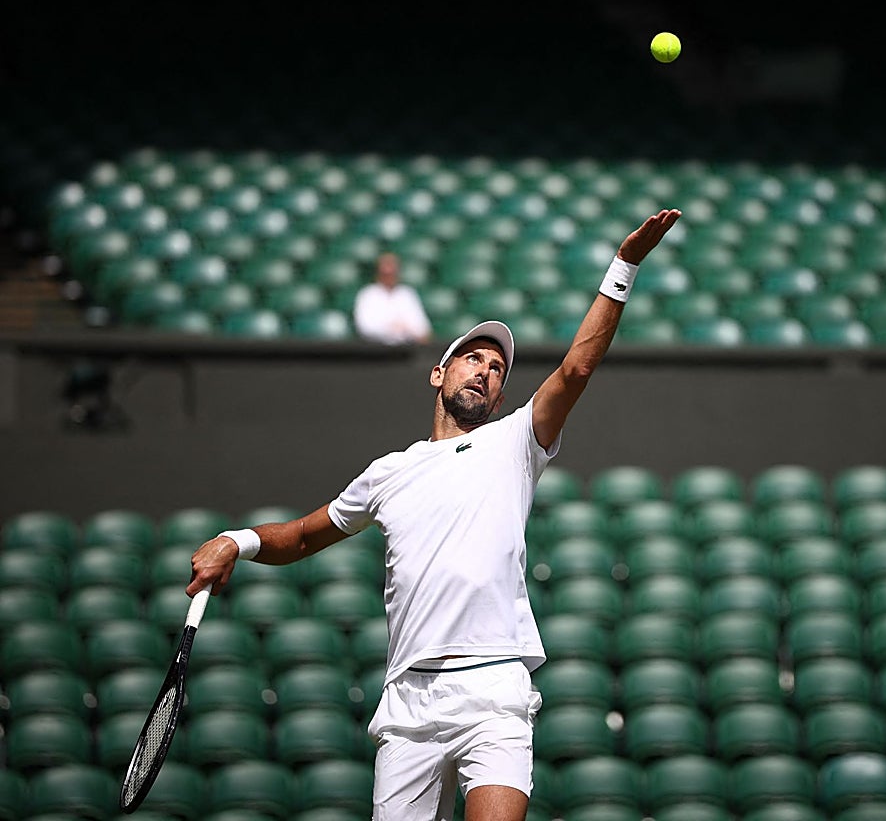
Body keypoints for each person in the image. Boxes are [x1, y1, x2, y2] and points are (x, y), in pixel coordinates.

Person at [187, 208, 682, 821]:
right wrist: (236, 541)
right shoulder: (388, 472)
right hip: (409, 701)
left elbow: (577, 368)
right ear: (439, 373)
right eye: (474, 357)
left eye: (498, 368)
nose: (487, 369)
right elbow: (299, 536)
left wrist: (624, 265)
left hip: (495, 689)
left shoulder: (515, 442)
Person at [354, 251, 433, 345]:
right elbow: (365, 327)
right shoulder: (367, 294)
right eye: (385, 273)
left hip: (406, 350)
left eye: (392, 272)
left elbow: (422, 329)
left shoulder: (407, 294)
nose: (389, 276)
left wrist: (403, 330)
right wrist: (393, 328)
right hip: (375, 351)